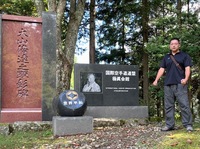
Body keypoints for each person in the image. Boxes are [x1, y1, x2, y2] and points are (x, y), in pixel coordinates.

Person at [153, 37, 193, 132]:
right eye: (172, 44)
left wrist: (186, 79)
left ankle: (188, 125)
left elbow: (187, 68)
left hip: (180, 83)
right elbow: (162, 69)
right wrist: (156, 80)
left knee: (184, 104)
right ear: (170, 46)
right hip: (168, 84)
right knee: (168, 106)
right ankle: (169, 125)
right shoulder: (166, 57)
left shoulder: (184, 56)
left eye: (175, 43)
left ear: (179, 45)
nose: (173, 45)